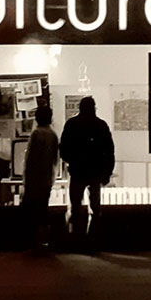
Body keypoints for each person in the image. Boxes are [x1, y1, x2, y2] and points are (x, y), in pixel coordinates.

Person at [59, 97, 114, 238]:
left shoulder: (72, 124)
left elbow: (64, 148)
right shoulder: (101, 125)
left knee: (75, 205)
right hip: (96, 171)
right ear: (94, 108)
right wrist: (107, 172)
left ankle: (75, 235)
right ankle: (93, 236)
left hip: (77, 170)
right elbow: (109, 150)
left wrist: (71, 161)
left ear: (80, 108)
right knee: (95, 207)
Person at [21, 106, 58, 249]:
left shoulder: (36, 134)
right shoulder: (52, 134)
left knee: (30, 210)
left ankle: (31, 240)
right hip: (47, 177)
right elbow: (54, 159)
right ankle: (43, 239)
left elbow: (30, 158)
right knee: (43, 209)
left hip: (34, 178)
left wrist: (26, 178)